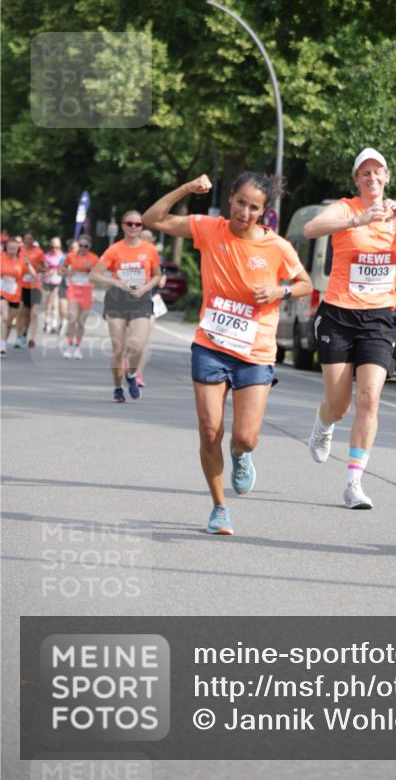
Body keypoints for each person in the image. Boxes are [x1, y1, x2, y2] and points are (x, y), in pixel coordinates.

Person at [143, 171, 312, 536]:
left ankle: (240, 454)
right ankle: (219, 507)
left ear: (263, 212)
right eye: (240, 203)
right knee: (209, 431)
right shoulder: (208, 229)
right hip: (211, 345)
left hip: (255, 351)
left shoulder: (277, 247)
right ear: (230, 199)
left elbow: (305, 283)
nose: (244, 213)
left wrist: (279, 291)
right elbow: (152, 219)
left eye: (254, 208)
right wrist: (188, 188)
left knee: (245, 437)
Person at [304, 148, 396, 509]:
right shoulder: (346, 208)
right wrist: (357, 220)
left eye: (377, 172)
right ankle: (324, 424)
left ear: (387, 177)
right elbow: (310, 229)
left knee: (369, 398)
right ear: (357, 180)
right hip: (338, 315)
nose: (372, 178)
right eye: (365, 173)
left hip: (378, 318)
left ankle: (353, 483)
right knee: (339, 406)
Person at [90, 212, 162, 402]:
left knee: (137, 345)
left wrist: (145, 288)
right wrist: (115, 282)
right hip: (117, 300)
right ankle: (117, 387)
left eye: (137, 224)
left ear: (142, 227)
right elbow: (94, 275)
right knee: (118, 349)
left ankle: (130, 375)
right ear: (123, 225)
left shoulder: (150, 249)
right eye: (129, 223)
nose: (133, 227)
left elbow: (157, 275)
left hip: (141, 298)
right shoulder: (114, 249)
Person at [133, 228, 168, 387]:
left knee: (144, 339)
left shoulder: (157, 258)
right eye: (142, 238)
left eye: (148, 239)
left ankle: (138, 374)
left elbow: (162, 281)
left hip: (151, 301)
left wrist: (160, 278)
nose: (145, 241)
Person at [61, 233, 99, 359]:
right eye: (80, 245)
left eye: (85, 246)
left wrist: (91, 268)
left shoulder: (94, 258)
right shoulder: (71, 256)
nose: (82, 248)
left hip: (86, 291)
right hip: (73, 289)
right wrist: (68, 271)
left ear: (90, 246)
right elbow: (62, 268)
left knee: (81, 322)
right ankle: (69, 345)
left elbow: (99, 275)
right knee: (72, 318)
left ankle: (77, 347)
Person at [15, 231, 46, 349]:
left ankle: (32, 338)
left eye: (30, 238)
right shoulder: (19, 250)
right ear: (23, 239)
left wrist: (40, 269)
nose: (28, 240)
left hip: (35, 286)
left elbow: (43, 268)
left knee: (33, 313)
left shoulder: (38, 252)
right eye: (26, 238)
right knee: (22, 312)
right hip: (22, 286)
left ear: (34, 240)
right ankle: (20, 336)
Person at [1, 238, 26, 354]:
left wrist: (28, 263)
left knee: (9, 322)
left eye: (14, 249)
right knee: (5, 317)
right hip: (2, 293)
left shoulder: (21, 261)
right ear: (6, 248)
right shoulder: (1, 258)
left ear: (18, 249)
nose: (11, 251)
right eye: (9, 248)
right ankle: (1, 344)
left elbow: (33, 274)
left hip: (15, 295)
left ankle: (3, 342)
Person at [43, 238, 65, 334]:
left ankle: (54, 324)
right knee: (48, 303)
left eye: (56, 247)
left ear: (60, 247)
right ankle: (47, 322)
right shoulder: (47, 256)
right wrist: (47, 272)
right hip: (47, 281)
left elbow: (65, 269)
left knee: (55, 303)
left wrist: (58, 272)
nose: (54, 249)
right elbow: (43, 268)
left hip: (57, 281)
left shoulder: (63, 257)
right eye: (52, 247)